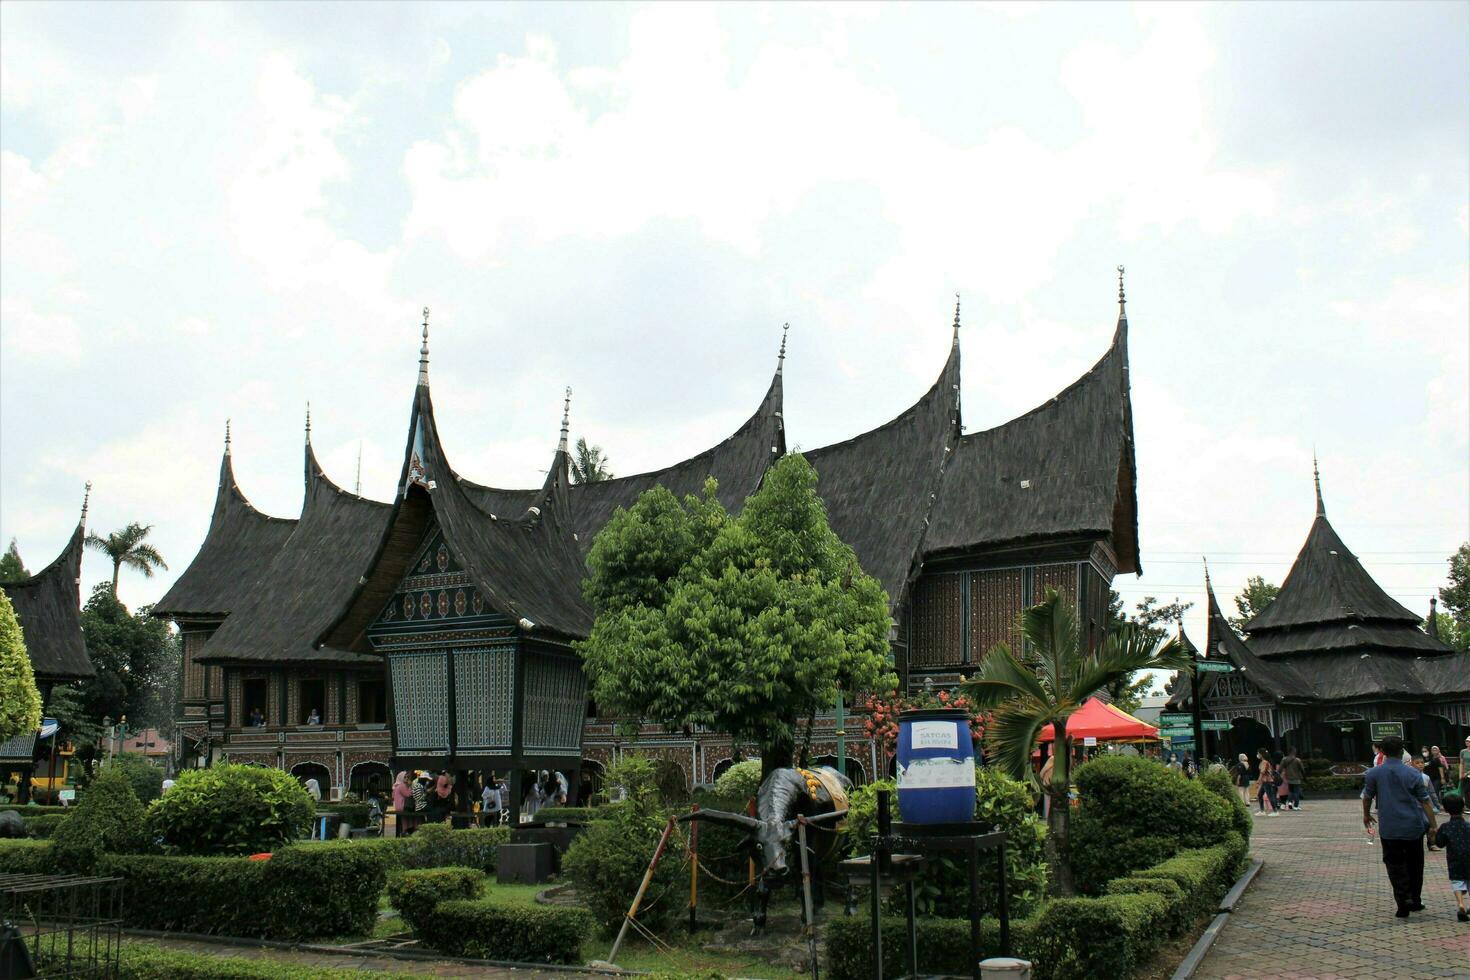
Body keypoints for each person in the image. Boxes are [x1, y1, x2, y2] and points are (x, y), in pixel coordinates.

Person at [1362, 735, 1437, 917]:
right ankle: (1415, 900)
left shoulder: (1374, 773)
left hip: (1389, 827)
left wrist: (1366, 815)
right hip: (1413, 825)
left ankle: (1402, 901)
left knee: (1394, 865)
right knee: (1415, 864)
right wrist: (1433, 825)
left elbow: (1367, 796)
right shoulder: (1413, 773)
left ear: (1382, 751)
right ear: (1402, 751)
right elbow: (1425, 801)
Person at [1431, 793, 1469, 923]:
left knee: (1457, 882)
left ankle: (1461, 905)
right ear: (1463, 808)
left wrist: (1434, 834)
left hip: (1454, 860)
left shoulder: (1445, 827)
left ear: (1446, 810)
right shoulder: (1468, 826)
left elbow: (1439, 843)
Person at [1254, 748, 1279, 817]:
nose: (1257, 755)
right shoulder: (1265, 761)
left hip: (1267, 781)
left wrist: (1258, 781)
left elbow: (1262, 772)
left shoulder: (1264, 762)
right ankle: (1262, 811)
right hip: (1266, 781)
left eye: (1258, 753)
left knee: (1270, 796)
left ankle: (1275, 811)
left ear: (1261, 754)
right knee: (1260, 795)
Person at [1280, 746, 1306, 812]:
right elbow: (1302, 769)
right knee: (1296, 792)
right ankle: (1296, 806)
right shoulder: (1297, 760)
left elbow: (1280, 768)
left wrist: (1279, 775)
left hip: (1288, 778)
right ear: (1293, 751)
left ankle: (1289, 803)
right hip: (1296, 778)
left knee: (1291, 791)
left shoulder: (1284, 759)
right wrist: (1304, 777)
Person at [1426, 746, 1449, 812]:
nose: (1434, 750)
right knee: (1432, 791)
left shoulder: (1441, 758)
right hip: (1430, 777)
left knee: (1435, 791)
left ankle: (1437, 805)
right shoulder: (1429, 758)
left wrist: (1443, 778)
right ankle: (1436, 805)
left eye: (1435, 749)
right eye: (1433, 749)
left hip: (1438, 777)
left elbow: (1444, 768)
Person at [1460, 735, 1470, 801]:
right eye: (1466, 741)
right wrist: (1460, 774)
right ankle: (1467, 806)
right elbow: (1461, 763)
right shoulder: (1463, 751)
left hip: (1468, 773)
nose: (1467, 742)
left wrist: (1467, 773)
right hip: (1465, 774)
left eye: (1468, 741)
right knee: (1466, 790)